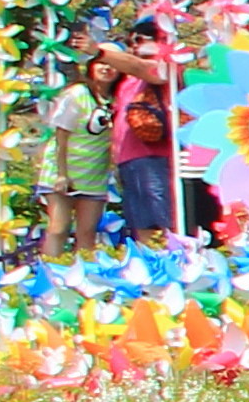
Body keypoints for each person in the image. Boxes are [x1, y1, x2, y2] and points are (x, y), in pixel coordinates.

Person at [105, 26, 178, 247]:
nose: (134, 45)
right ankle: (150, 264)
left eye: (141, 39)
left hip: (152, 159)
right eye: (131, 41)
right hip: (130, 162)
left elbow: (140, 67)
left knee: (158, 220)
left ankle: (169, 261)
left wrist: (98, 51)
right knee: (140, 220)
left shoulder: (165, 69)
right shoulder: (128, 81)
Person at [36, 46, 113, 259]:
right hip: (64, 172)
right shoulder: (77, 94)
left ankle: (86, 279)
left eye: (112, 64)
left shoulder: (116, 99)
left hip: (94, 175)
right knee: (59, 228)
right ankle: (52, 274)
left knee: (87, 233)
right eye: (101, 63)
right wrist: (62, 174)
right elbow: (61, 136)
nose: (107, 68)